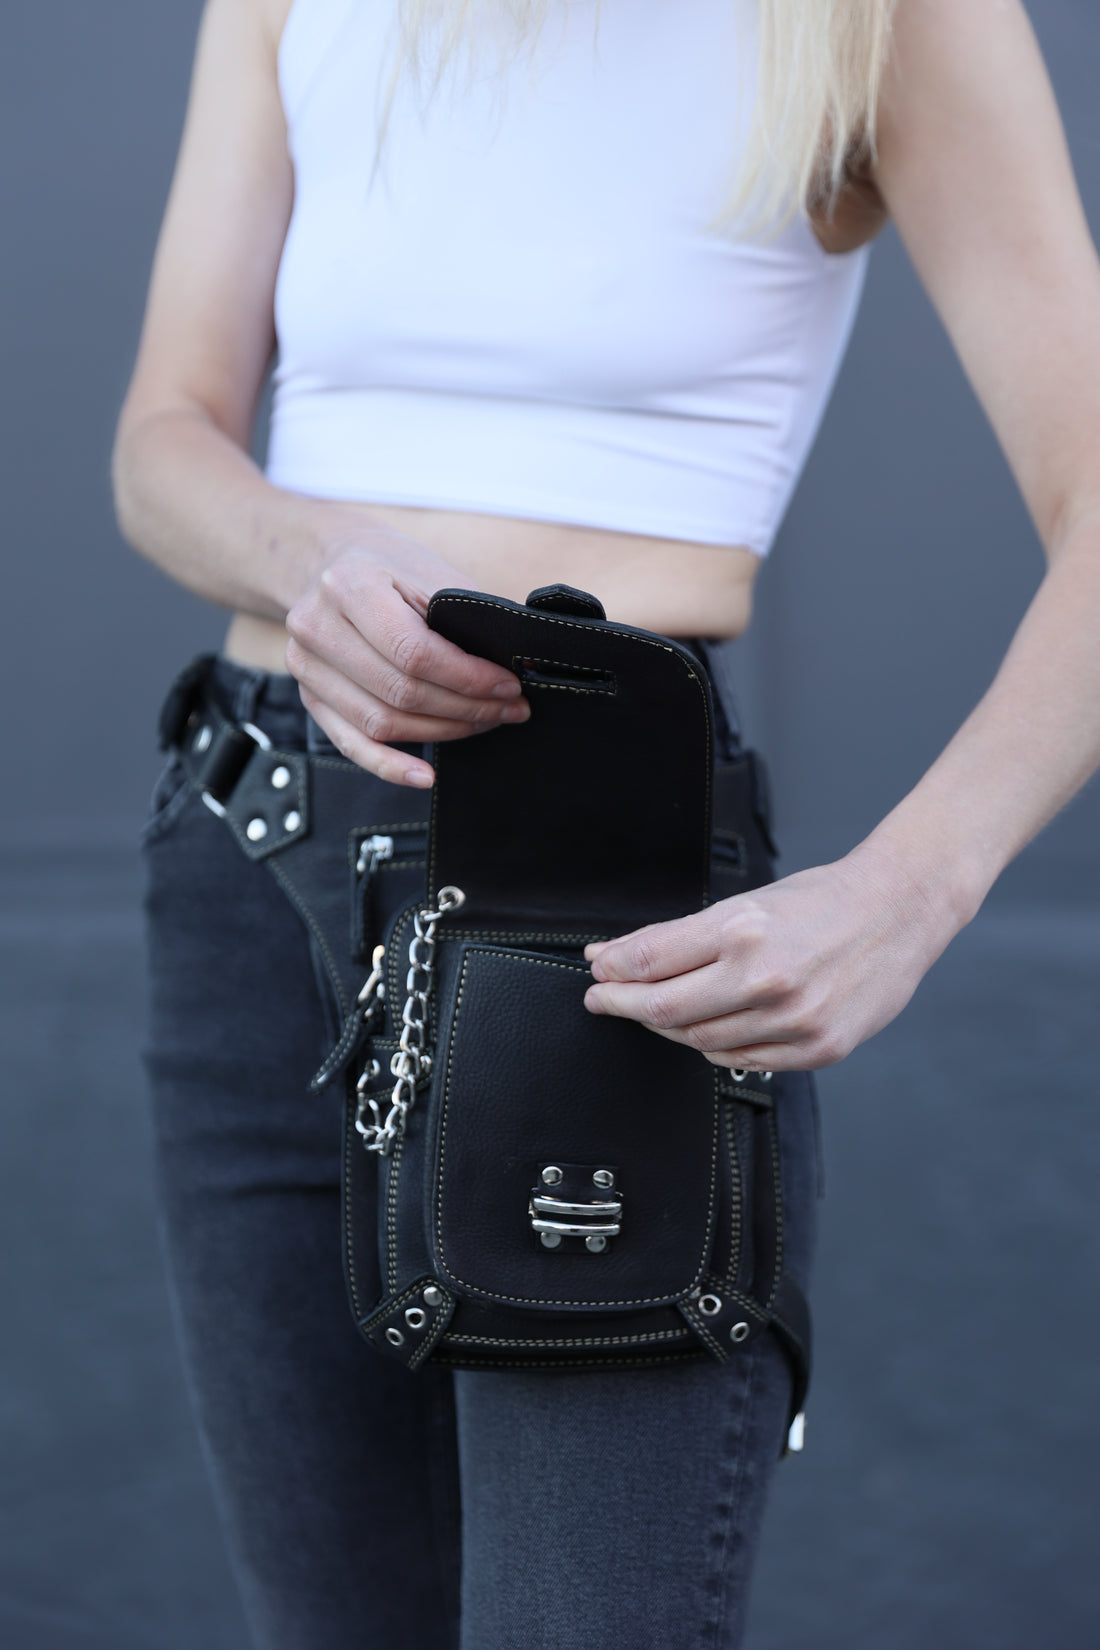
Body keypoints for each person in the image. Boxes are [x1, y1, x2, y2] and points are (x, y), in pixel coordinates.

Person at [112, 1, 1100, 1646]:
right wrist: (305, 564)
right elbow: (164, 441)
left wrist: (914, 887)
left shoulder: (873, 17)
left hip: (594, 909)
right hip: (250, 859)